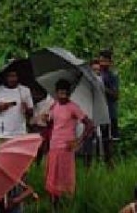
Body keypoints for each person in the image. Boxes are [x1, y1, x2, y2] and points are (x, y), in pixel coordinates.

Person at [44, 79, 94, 209]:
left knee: (64, 176)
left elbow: (89, 125)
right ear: (56, 93)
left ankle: (65, 203)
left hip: (66, 147)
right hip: (54, 146)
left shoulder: (73, 107)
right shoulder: (54, 106)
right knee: (53, 175)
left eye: (65, 93)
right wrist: (46, 120)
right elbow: (51, 123)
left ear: (68, 93)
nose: (62, 96)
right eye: (60, 93)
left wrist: (79, 141)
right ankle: (53, 203)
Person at [0, 68, 33, 139]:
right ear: (5, 77)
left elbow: (31, 112)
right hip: (4, 132)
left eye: (14, 76)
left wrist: (26, 108)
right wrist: (0, 109)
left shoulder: (25, 90)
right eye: (9, 76)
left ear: (18, 77)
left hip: (21, 132)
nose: (12, 79)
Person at [98, 49, 120, 160]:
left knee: (109, 140)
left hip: (109, 113)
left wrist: (103, 87)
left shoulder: (112, 76)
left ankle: (110, 163)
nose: (103, 63)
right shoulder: (97, 74)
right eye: (101, 60)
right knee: (100, 138)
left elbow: (116, 95)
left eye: (105, 61)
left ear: (110, 62)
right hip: (98, 112)